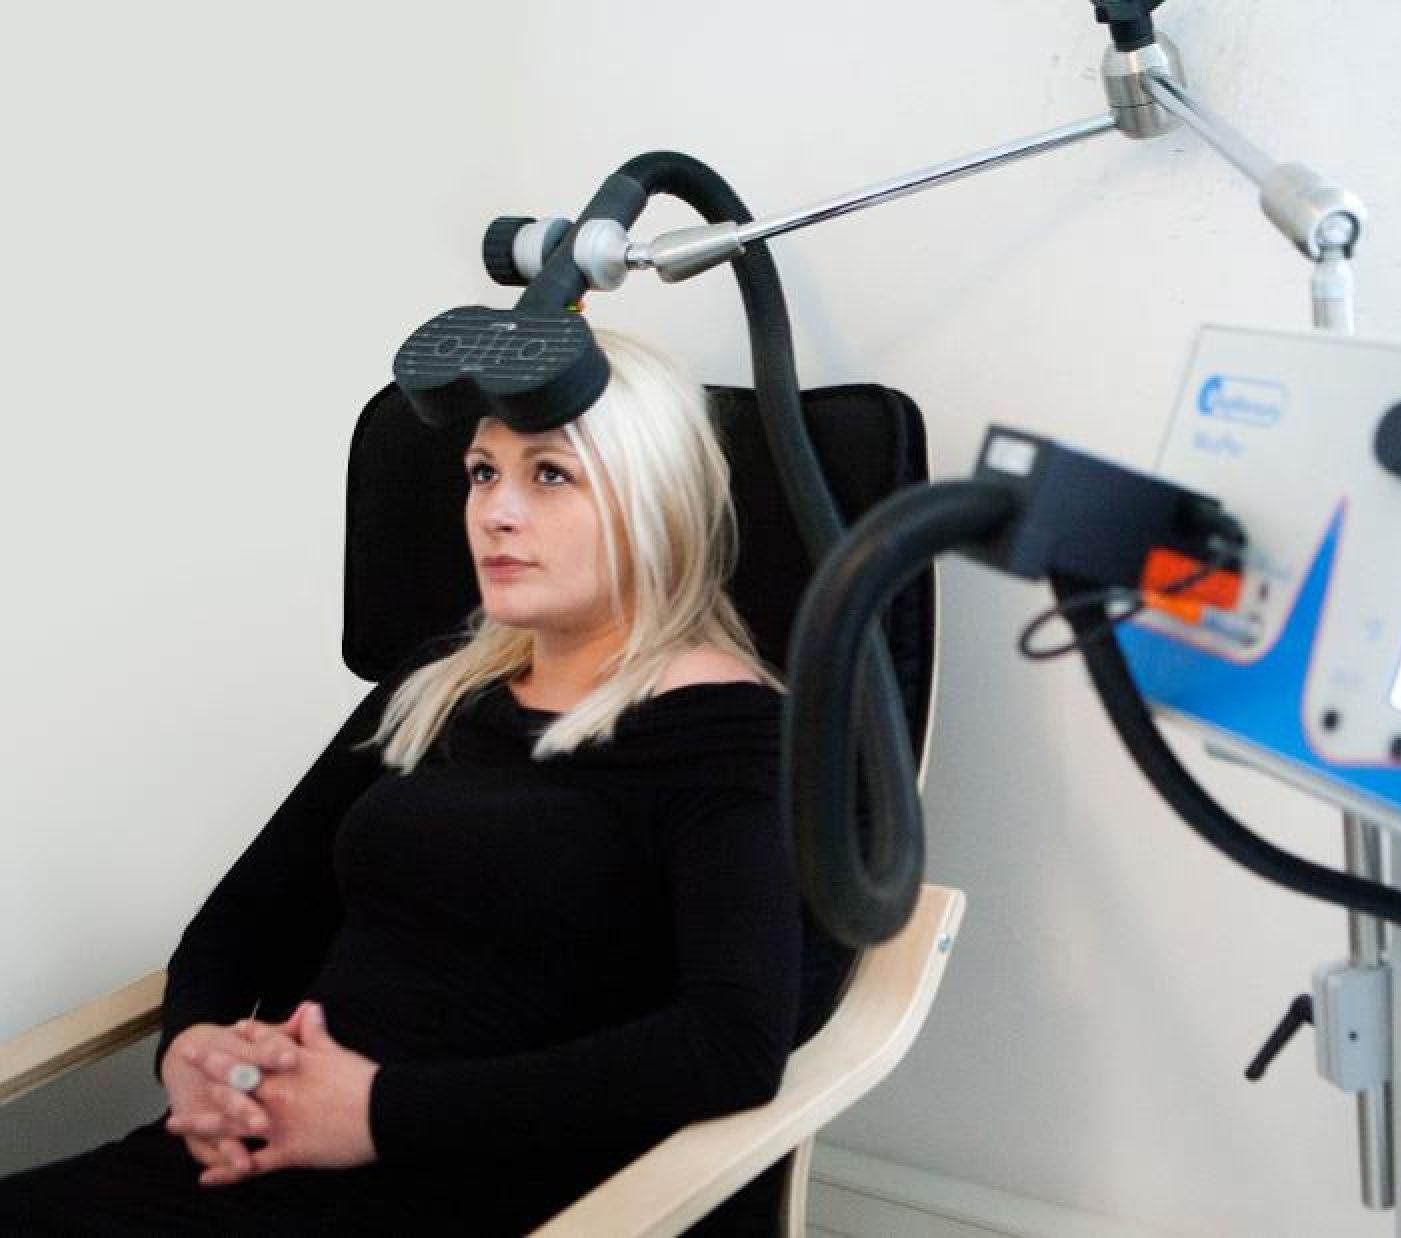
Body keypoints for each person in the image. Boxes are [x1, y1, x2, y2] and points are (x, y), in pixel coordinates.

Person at [0, 330, 850, 1235]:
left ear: (657, 503)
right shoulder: (439, 685)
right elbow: (249, 914)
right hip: (243, 1153)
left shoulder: (725, 728)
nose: (495, 512)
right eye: (483, 473)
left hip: (468, 1187)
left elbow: (731, 1045)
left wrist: (376, 1114)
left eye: (551, 475)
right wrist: (197, 1050)